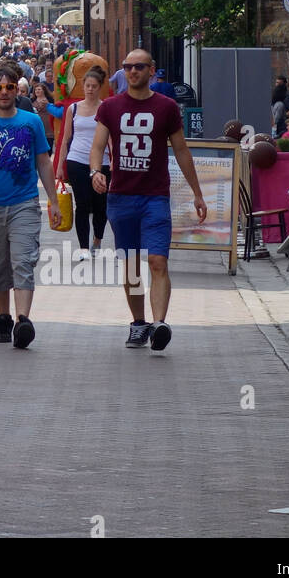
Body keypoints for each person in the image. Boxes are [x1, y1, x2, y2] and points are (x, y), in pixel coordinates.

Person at [89, 49, 207, 352]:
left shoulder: (166, 107)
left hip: (154, 195)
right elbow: (98, 145)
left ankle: (159, 324)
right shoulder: (111, 107)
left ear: (151, 70)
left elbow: (181, 150)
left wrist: (197, 192)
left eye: (138, 67)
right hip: (121, 196)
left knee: (157, 260)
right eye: (127, 67)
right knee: (130, 265)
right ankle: (139, 323)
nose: (132, 72)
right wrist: (95, 172)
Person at [0, 60, 57, 349]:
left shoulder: (31, 122)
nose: (4, 92)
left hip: (24, 204)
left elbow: (43, 161)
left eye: (10, 87)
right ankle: (3, 317)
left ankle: (22, 321)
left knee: (23, 261)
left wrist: (53, 201)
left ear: (18, 90)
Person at [57, 66, 110, 258]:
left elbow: (111, 138)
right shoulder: (74, 108)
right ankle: (83, 248)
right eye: (87, 85)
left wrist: (113, 163)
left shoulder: (105, 108)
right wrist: (60, 166)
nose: (90, 89)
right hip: (76, 159)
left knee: (100, 205)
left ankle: (97, 239)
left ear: (100, 87)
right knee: (82, 203)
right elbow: (65, 138)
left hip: (101, 162)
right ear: (83, 86)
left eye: (94, 86)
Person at [29, 80, 63, 144]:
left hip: (48, 127)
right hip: (37, 126)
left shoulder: (50, 100)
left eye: (39, 89)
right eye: (36, 90)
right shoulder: (31, 101)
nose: (37, 91)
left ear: (44, 90)